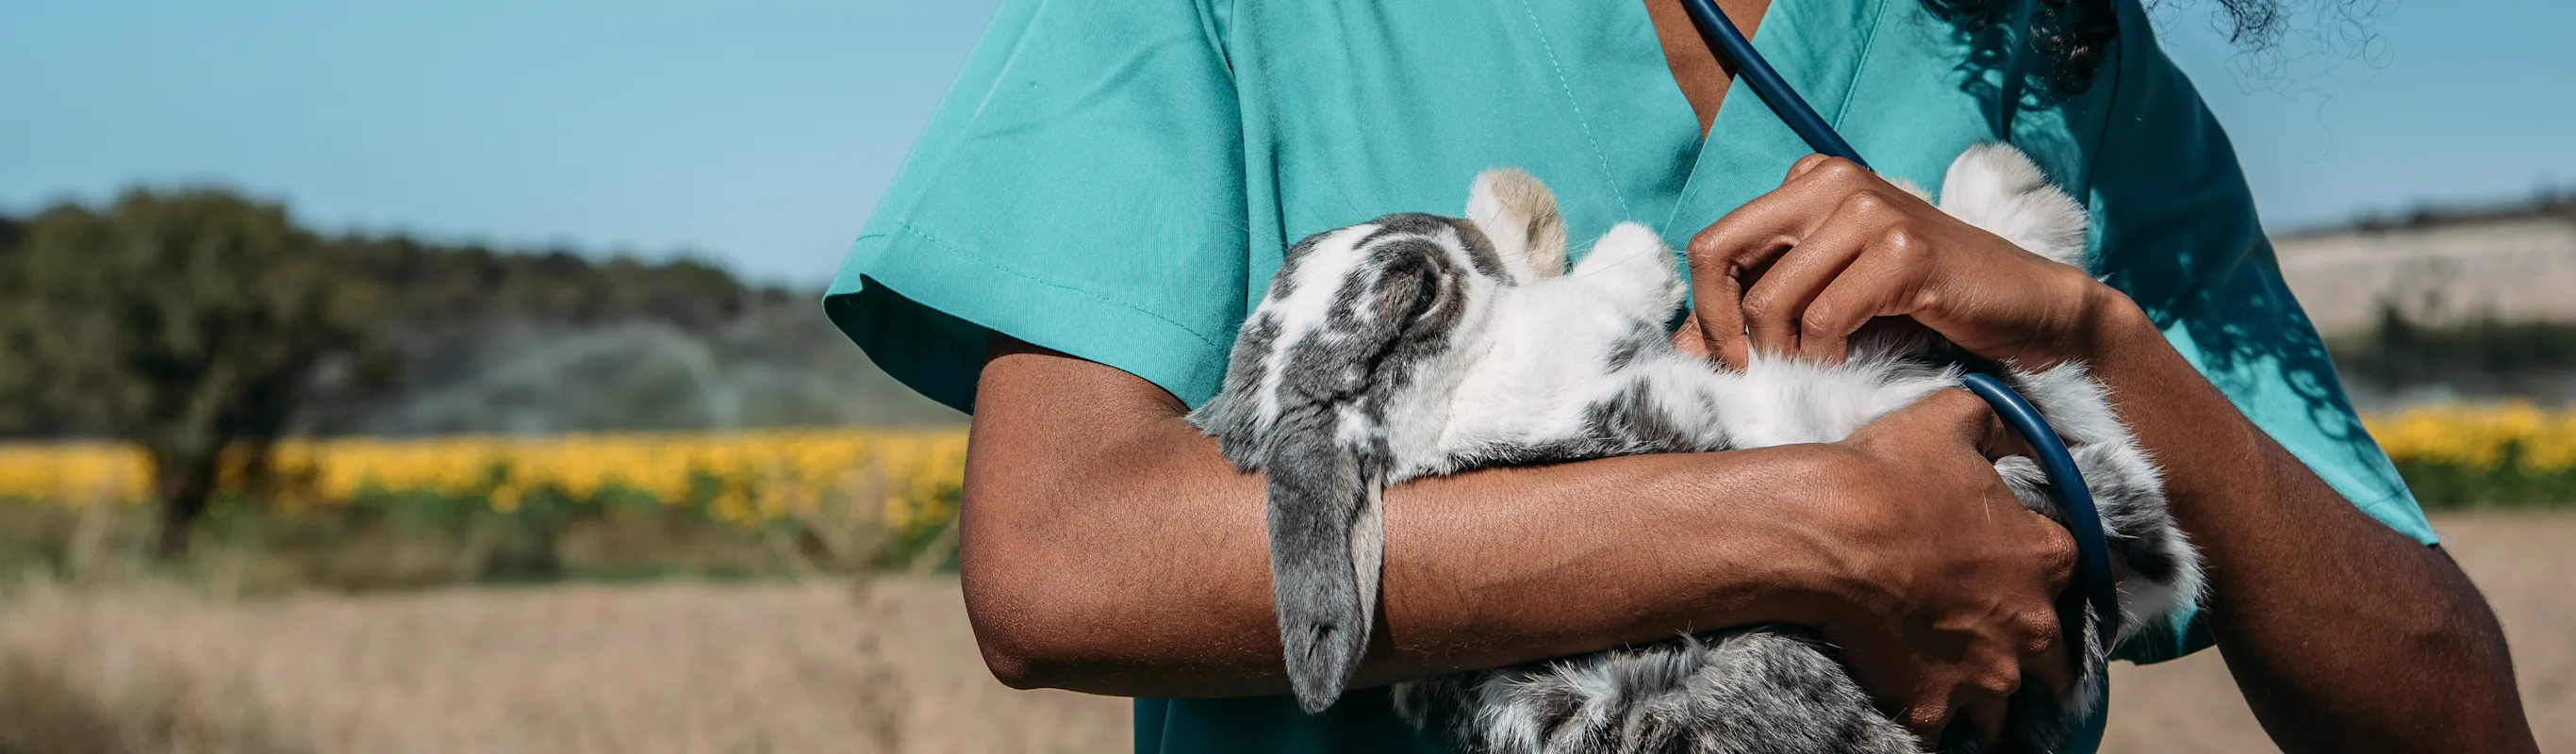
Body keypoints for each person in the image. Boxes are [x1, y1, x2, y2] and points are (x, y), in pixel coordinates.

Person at [827, 0, 2537, 750]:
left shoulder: (2052, 50)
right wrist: (1805, 532)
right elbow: (1058, 567)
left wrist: (2090, 337)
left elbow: (2450, 709)